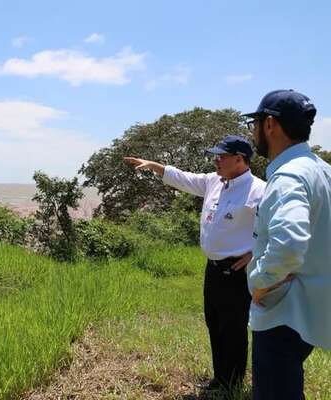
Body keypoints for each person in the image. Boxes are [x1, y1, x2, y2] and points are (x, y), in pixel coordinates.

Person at [124, 135, 265, 392]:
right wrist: (156, 166)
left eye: (221, 156)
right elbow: (184, 178)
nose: (216, 160)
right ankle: (220, 378)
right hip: (212, 269)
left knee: (232, 329)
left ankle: (231, 384)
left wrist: (256, 252)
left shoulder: (260, 190)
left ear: (239, 159)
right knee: (214, 323)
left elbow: (275, 228)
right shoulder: (214, 182)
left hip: (237, 272)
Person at [244, 89, 331, 400]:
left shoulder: (288, 177)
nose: (253, 132)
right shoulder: (322, 170)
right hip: (313, 308)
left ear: (270, 125)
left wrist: (259, 282)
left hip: (283, 312)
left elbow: (289, 242)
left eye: (253, 124)